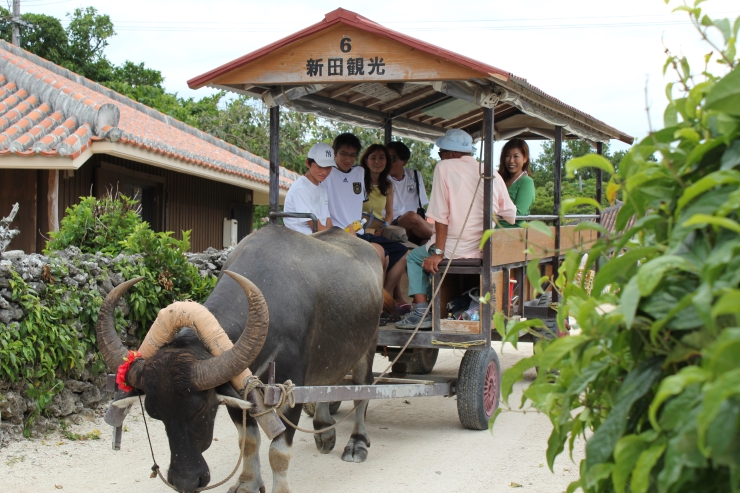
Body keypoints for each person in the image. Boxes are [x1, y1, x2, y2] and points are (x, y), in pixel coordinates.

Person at [396, 129, 517, 329]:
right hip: (483, 246)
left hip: (455, 248)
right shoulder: (489, 169)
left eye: (440, 152)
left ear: (451, 153)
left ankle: (421, 312)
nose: (440, 156)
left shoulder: (444, 167)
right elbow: (510, 214)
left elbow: (441, 216)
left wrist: (438, 253)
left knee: (414, 258)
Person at [283, 143, 335, 234]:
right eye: (320, 166)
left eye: (328, 167)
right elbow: (316, 227)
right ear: (308, 163)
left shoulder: (322, 188)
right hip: (302, 239)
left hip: (318, 237)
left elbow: (328, 220)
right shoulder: (301, 188)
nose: (324, 171)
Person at [386, 141, 433, 243]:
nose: (388, 162)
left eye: (393, 158)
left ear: (404, 161)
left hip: (415, 225)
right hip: (393, 225)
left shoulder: (415, 175)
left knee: (428, 242)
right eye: (386, 158)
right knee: (410, 217)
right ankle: (445, 239)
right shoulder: (383, 179)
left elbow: (422, 204)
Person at [497, 138, 536, 228]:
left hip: (512, 233)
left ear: (525, 158)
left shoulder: (526, 182)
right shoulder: (502, 179)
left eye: (516, 156)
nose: (511, 160)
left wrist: (492, 211)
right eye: (507, 155)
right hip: (494, 231)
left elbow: (519, 214)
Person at [360, 143, 394, 231]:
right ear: (366, 161)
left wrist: (385, 227)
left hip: (378, 230)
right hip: (359, 230)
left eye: (381, 158)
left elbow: (389, 213)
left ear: (387, 161)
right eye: (373, 158)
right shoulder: (358, 182)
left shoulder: (388, 185)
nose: (377, 162)